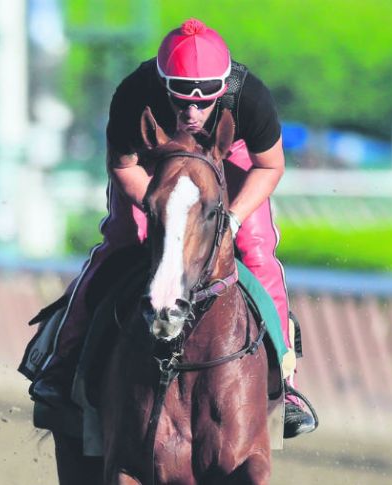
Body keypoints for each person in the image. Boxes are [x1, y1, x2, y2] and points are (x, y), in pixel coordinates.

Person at [20, 18, 317, 447]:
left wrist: (229, 218)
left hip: (222, 163)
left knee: (255, 247)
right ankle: (62, 360)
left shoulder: (249, 96)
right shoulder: (133, 93)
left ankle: (284, 381)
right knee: (123, 242)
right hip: (151, 162)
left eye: (203, 104)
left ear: (222, 89)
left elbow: (270, 165)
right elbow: (124, 166)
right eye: (181, 103)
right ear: (162, 85)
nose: (192, 114)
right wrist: (165, 214)